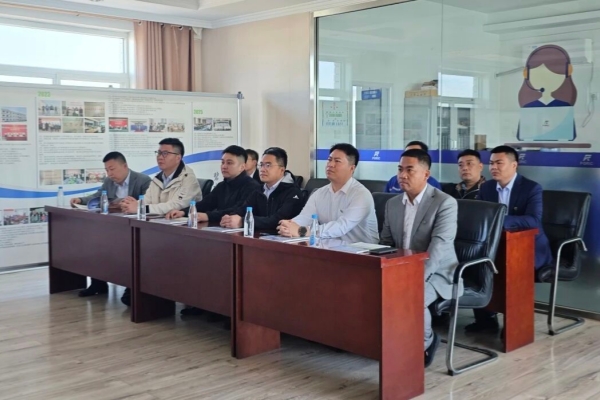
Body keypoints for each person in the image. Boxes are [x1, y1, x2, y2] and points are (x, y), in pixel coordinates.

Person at [380, 148, 459, 368]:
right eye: (399, 169)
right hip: (403, 269)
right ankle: (389, 342)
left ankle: (425, 343)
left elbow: (438, 249)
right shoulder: (393, 204)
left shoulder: (445, 203)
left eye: (409, 170)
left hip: (438, 272)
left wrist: (412, 279)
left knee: (410, 295)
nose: (402, 175)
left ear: (426, 174)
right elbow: (386, 244)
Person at [466, 145, 553, 333]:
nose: (493, 167)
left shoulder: (531, 188)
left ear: (514, 165)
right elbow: (481, 217)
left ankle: (516, 326)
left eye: (499, 163)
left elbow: (534, 220)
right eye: (491, 163)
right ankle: (486, 320)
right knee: (477, 265)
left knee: (512, 269)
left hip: (530, 249)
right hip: (498, 247)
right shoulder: (487, 187)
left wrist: (499, 220)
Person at [70, 151, 151, 300]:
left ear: (125, 166)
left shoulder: (142, 180)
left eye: (112, 169)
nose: (109, 173)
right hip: (113, 226)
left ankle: (131, 287)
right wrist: (80, 200)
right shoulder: (109, 182)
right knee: (95, 243)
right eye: (107, 170)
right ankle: (98, 283)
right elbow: (98, 195)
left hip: (134, 228)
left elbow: (149, 202)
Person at [278, 143, 378, 244]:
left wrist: (303, 231)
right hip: (330, 247)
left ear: (352, 168)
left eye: (337, 161)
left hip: (362, 250)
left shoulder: (361, 195)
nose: (330, 164)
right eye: (329, 160)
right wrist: (289, 226)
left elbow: (341, 226)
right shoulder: (319, 193)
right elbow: (305, 217)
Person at [166, 145, 261, 223]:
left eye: (229, 163)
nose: (224, 166)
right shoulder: (222, 185)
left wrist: (208, 216)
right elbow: (205, 204)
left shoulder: (252, 186)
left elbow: (239, 210)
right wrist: (183, 212)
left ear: (242, 167)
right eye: (222, 162)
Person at [221, 147, 303, 231]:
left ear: (281, 170)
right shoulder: (259, 190)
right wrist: (230, 218)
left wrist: (243, 221)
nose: (262, 169)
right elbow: (243, 209)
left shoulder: (293, 192)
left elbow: (277, 221)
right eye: (261, 165)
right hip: (259, 235)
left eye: (268, 165)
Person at [121, 138, 202, 216]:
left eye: (165, 153)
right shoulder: (158, 178)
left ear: (178, 158)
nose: (160, 157)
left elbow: (175, 205)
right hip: (162, 221)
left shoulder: (188, 179)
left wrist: (141, 208)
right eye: (159, 153)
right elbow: (147, 200)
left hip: (185, 223)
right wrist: (131, 205)